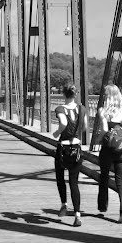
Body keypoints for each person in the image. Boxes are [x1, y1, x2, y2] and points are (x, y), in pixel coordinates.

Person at [92, 84, 122, 223]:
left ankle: (102, 206)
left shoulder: (103, 111)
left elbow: (103, 129)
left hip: (107, 149)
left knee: (104, 177)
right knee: (120, 181)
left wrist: (99, 140)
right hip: (121, 150)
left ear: (106, 96)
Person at [53, 83, 85, 227]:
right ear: (75, 94)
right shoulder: (81, 109)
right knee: (74, 182)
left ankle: (64, 204)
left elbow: (64, 123)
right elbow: (84, 127)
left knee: (60, 177)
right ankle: (77, 215)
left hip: (63, 148)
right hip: (76, 148)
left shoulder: (60, 108)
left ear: (63, 94)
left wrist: (56, 133)